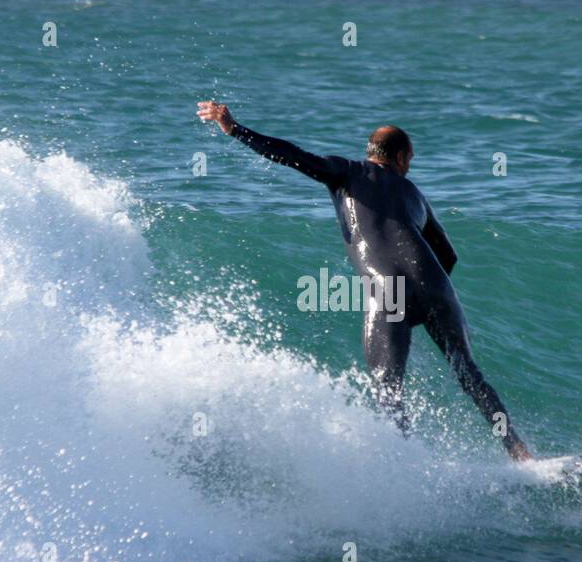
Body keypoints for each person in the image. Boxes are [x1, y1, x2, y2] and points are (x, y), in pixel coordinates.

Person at [196, 101, 532, 460]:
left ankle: (406, 465)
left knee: (389, 388)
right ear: (400, 157)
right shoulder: (415, 194)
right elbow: (448, 254)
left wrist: (235, 129)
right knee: (468, 374)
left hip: (387, 290)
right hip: (435, 284)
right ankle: (517, 448)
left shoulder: (347, 172)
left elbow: (292, 155)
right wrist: (428, 300)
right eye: (411, 159)